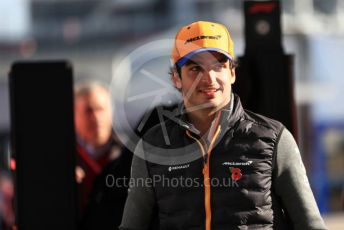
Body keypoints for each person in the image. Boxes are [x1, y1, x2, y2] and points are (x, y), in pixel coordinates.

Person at [120, 21, 327, 230]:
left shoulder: (274, 138)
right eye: (195, 68)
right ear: (176, 78)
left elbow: (309, 224)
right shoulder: (152, 147)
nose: (209, 78)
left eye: (219, 66)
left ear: (232, 73)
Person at [74, 81, 132, 230]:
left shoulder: (130, 157)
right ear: (74, 115)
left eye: (100, 109)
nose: (95, 117)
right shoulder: (60, 159)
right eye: (88, 110)